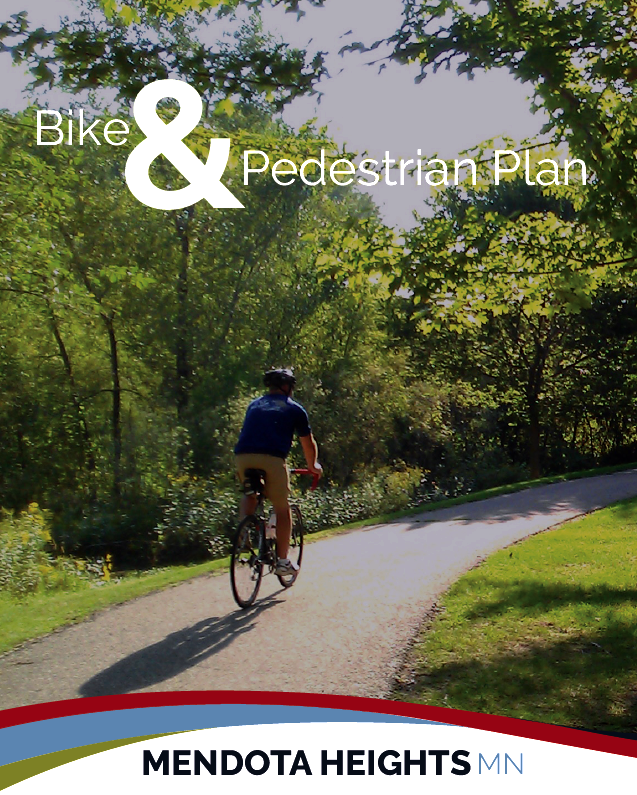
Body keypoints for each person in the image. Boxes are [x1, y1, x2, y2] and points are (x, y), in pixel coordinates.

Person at [234, 368, 322, 576]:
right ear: (287, 386)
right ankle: (282, 562)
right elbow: (308, 443)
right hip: (272, 459)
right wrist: (313, 466)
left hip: (242, 457)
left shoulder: (254, 405)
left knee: (250, 494)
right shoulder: (294, 408)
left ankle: (243, 536)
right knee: (282, 509)